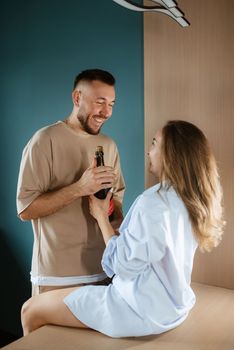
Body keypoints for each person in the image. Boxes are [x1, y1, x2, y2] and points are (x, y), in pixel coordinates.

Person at [21, 120, 225, 338]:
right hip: (174, 307)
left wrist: (101, 217)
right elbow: (148, 246)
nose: (149, 151)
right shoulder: (191, 199)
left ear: (170, 155)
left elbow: (123, 266)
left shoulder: (153, 202)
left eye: (155, 144)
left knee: (30, 310)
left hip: (137, 310)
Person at [17, 69, 125, 296]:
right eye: (100, 102)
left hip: (103, 272)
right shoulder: (44, 140)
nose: (106, 112)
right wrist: (80, 188)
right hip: (56, 277)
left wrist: (112, 209)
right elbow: (26, 210)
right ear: (77, 98)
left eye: (112, 104)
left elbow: (116, 206)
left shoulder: (109, 145)